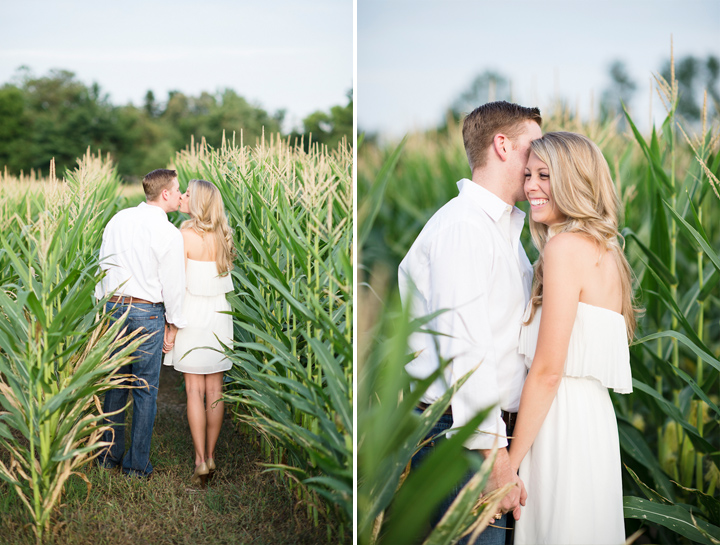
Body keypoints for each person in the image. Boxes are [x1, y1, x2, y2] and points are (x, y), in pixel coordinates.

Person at [399, 101, 542, 544]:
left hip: (484, 433)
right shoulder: (463, 228)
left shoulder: (499, 229)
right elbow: (466, 350)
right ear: (503, 145)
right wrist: (494, 456)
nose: (543, 160)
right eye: (534, 147)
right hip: (463, 438)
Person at [510, 132, 635, 544]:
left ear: (575, 180)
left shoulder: (563, 249)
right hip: (593, 424)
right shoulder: (609, 253)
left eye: (545, 175)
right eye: (528, 174)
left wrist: (509, 466)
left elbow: (548, 371)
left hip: (557, 424)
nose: (530, 186)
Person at [96, 168, 187, 478]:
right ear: (165, 194)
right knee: (145, 390)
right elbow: (172, 284)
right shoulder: (169, 233)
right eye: (177, 190)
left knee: (116, 385)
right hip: (146, 313)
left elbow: (102, 263)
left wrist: (102, 305)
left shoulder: (118, 220)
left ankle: (107, 457)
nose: (179, 195)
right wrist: (173, 326)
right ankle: (136, 467)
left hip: (112, 308)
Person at [163, 179, 235, 487]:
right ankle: (212, 455)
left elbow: (177, 286)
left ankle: (200, 460)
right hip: (219, 317)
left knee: (194, 391)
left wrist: (171, 327)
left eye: (189, 194)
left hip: (192, 315)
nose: (184, 196)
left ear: (200, 202)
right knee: (215, 391)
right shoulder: (224, 237)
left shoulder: (184, 236)